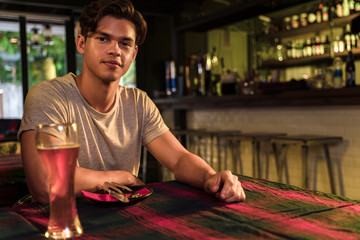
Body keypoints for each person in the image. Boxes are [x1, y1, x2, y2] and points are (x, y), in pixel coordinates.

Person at [18, 0, 246, 205]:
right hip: (59, 220)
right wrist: (123, 177)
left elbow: (178, 159)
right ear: (81, 44)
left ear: (133, 54)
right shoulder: (49, 96)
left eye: (125, 43)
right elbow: (46, 183)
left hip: (120, 217)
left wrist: (210, 178)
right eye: (103, 38)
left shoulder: (138, 102)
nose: (114, 50)